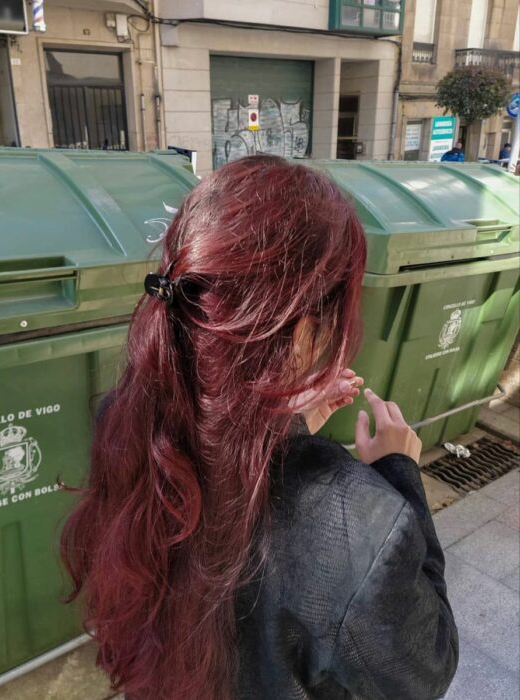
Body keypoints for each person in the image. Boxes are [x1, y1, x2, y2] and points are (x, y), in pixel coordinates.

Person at [60, 155, 458, 700]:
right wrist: (400, 473)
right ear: (301, 334)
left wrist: (286, 426)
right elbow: (427, 668)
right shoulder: (364, 524)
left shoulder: (126, 419)